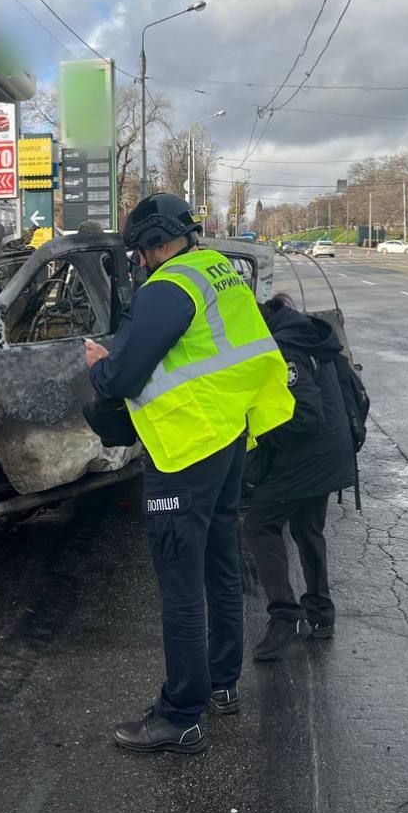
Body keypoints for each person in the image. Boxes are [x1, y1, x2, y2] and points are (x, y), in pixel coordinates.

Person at [84, 192, 294, 755]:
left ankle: (180, 715)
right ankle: (222, 684)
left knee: (180, 583)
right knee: (221, 563)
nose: (140, 262)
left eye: (141, 251)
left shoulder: (167, 288)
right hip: (226, 436)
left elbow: (122, 376)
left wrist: (99, 367)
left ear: (153, 245)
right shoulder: (219, 271)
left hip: (184, 449)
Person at [243, 294, 356, 660]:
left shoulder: (285, 348)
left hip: (309, 457)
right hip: (332, 452)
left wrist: (260, 433)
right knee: (308, 529)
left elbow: (304, 417)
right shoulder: (303, 331)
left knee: (259, 523)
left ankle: (285, 615)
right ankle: (321, 614)